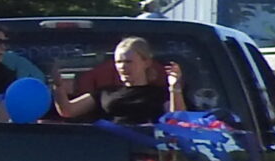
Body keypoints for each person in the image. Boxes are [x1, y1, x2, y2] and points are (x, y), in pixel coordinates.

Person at [53, 35, 184, 125]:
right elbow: (67, 110)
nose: (122, 67)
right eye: (118, 62)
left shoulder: (160, 94)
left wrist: (174, 89)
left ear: (146, 62)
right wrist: (58, 86)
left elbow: (178, 122)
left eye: (128, 62)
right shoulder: (104, 93)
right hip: (110, 147)